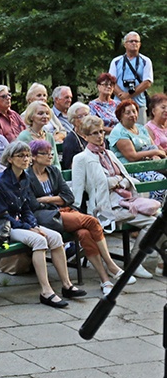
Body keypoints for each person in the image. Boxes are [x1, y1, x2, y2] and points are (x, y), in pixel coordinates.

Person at [0, 141, 85, 309]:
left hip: (19, 223)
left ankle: (67, 285)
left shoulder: (24, 178)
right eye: (21, 156)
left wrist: (33, 224)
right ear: (10, 159)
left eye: (27, 155)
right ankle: (46, 291)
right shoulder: (0, 181)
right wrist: (27, 227)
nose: (26, 159)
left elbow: (25, 207)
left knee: (55, 237)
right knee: (39, 241)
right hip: (3, 225)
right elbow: (3, 214)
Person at [25, 140, 131, 296]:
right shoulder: (27, 177)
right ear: (33, 157)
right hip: (47, 217)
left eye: (51, 153)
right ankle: (111, 264)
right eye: (45, 153)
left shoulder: (53, 171)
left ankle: (105, 280)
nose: (50, 156)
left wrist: (47, 199)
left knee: (85, 234)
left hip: (64, 210)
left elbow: (68, 196)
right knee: (92, 221)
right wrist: (56, 199)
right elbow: (34, 204)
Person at [72, 115, 158, 277]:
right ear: (85, 136)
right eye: (94, 133)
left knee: (155, 223)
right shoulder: (81, 159)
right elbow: (78, 191)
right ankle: (131, 264)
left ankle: (135, 261)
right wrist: (113, 181)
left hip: (124, 202)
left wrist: (120, 181)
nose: (99, 136)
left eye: (101, 132)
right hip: (103, 208)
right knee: (154, 222)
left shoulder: (109, 154)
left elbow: (127, 178)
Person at [109, 99, 167, 202]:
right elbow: (132, 157)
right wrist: (155, 153)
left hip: (147, 164)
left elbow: (154, 146)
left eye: (134, 111)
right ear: (120, 116)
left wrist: (156, 155)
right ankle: (155, 208)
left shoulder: (141, 128)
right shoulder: (118, 132)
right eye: (128, 112)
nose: (132, 114)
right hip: (131, 169)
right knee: (160, 180)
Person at [109, 31, 153, 123]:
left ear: (140, 44)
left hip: (139, 105)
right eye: (131, 41)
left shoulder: (146, 61)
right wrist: (122, 95)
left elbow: (147, 82)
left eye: (136, 41)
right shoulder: (116, 61)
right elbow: (111, 81)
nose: (134, 43)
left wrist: (128, 95)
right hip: (119, 104)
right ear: (125, 44)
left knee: (139, 132)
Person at [16, 101, 60, 169]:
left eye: (47, 113)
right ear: (31, 116)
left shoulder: (49, 136)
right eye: (40, 113)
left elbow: (56, 163)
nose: (45, 116)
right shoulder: (24, 137)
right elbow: (22, 164)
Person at [61, 102, 91, 170]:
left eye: (86, 115)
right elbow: (69, 165)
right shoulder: (71, 139)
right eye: (80, 116)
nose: (85, 118)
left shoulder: (94, 134)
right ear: (73, 121)